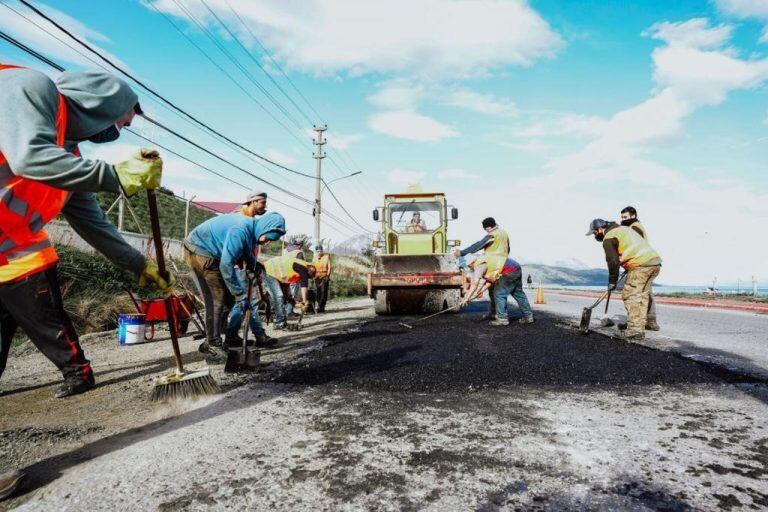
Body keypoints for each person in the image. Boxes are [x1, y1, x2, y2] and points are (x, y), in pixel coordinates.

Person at [0, 66, 173, 400]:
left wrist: (138, 264)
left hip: (18, 256)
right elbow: (29, 156)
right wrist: (115, 176)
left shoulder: (68, 157)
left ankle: (76, 373)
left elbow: (93, 224)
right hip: (13, 255)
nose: (121, 131)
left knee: (43, 320)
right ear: (101, 105)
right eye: (124, 121)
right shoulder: (28, 86)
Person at [184, 211, 286, 359]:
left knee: (228, 300)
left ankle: (226, 338)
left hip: (209, 252)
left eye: (272, 240)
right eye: (268, 238)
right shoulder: (241, 230)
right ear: (264, 228)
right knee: (217, 300)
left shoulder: (251, 230)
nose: (267, 242)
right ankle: (212, 343)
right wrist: (240, 294)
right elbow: (226, 264)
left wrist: (254, 265)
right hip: (199, 250)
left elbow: (245, 251)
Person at [587, 218, 662, 341]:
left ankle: (635, 331)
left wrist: (612, 281)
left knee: (631, 295)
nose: (595, 236)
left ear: (600, 229)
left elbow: (613, 262)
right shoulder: (622, 229)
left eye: (595, 233)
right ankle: (638, 326)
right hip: (654, 263)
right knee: (642, 296)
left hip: (640, 264)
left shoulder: (609, 237)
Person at [453, 217, 510, 318]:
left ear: (488, 227)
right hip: (503, 263)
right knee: (495, 291)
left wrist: (462, 253)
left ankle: (501, 317)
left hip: (493, 264)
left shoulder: (493, 235)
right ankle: (495, 313)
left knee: (497, 293)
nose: (485, 231)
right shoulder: (503, 233)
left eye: (485, 229)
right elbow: (508, 249)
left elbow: (478, 245)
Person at [461, 254, 533, 325]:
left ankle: (502, 319)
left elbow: (474, 284)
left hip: (508, 270)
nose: (470, 268)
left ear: (471, 263)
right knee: (518, 293)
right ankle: (528, 316)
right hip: (516, 267)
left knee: (499, 293)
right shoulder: (487, 261)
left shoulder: (479, 265)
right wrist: (480, 292)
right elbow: (490, 281)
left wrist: (466, 298)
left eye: (468, 266)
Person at [620, 206, 658, 331]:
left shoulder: (634, 228)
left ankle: (635, 324)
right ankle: (650, 321)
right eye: (622, 217)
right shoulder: (637, 226)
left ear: (633, 216)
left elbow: (633, 245)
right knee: (646, 292)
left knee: (634, 294)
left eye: (625, 217)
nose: (623, 219)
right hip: (646, 262)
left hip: (640, 263)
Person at [262, 251, 317, 329]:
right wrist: (304, 301)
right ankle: (279, 322)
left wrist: (291, 299)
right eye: (308, 277)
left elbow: (286, 286)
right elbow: (304, 285)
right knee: (278, 296)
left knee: (285, 298)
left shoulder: (294, 269)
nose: (306, 278)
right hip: (268, 271)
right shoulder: (303, 267)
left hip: (274, 274)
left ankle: (281, 320)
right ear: (309, 271)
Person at [312, 245, 332, 313]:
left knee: (324, 291)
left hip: (324, 276)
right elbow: (312, 267)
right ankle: (318, 306)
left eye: (320, 251)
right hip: (317, 276)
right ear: (316, 252)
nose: (319, 252)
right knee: (318, 292)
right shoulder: (314, 257)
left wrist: (328, 276)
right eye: (317, 251)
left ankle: (322, 307)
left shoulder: (327, 256)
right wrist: (313, 275)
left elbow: (329, 267)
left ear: (322, 251)